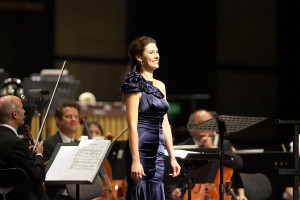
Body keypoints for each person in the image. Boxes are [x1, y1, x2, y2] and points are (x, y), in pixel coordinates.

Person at [120, 36, 181, 200]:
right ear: (139, 57)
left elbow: (165, 124)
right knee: (141, 191)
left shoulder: (160, 85)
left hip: (159, 150)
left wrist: (172, 157)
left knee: (156, 190)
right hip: (140, 148)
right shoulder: (134, 83)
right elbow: (132, 125)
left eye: (157, 52)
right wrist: (135, 160)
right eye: (151, 52)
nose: (157, 56)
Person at [165, 109, 246, 200]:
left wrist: (213, 149)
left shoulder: (223, 144)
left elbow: (238, 164)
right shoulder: (181, 148)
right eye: (201, 123)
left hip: (218, 194)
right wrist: (172, 192)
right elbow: (171, 175)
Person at [0, 95, 46, 200]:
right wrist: (39, 154)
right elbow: (37, 177)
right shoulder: (16, 143)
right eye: (22, 108)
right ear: (15, 114)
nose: (24, 111)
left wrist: (27, 155)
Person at [43, 101, 81, 200]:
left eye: (76, 116)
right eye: (68, 116)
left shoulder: (81, 145)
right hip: (59, 196)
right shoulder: (49, 144)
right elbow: (48, 177)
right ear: (58, 120)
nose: (73, 119)